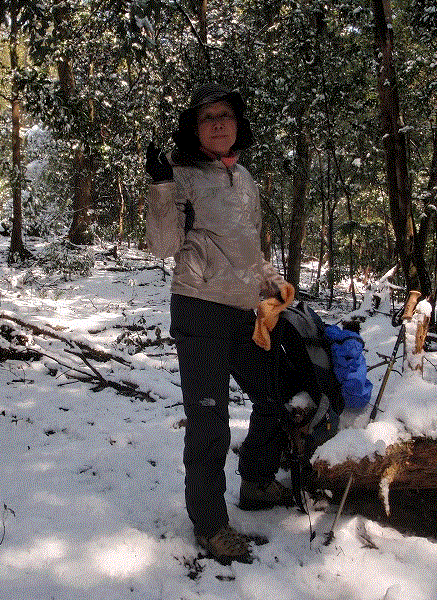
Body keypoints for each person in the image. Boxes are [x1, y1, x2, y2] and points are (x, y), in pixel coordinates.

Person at [144, 83, 296, 565]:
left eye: (224, 115)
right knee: (209, 422)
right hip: (200, 308)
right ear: (194, 129)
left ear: (237, 123)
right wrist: (161, 186)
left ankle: (255, 482)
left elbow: (249, 246)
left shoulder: (244, 177)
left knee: (275, 395)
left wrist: (273, 283)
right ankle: (211, 525)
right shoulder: (182, 175)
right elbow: (162, 246)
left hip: (245, 311)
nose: (216, 124)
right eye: (206, 118)